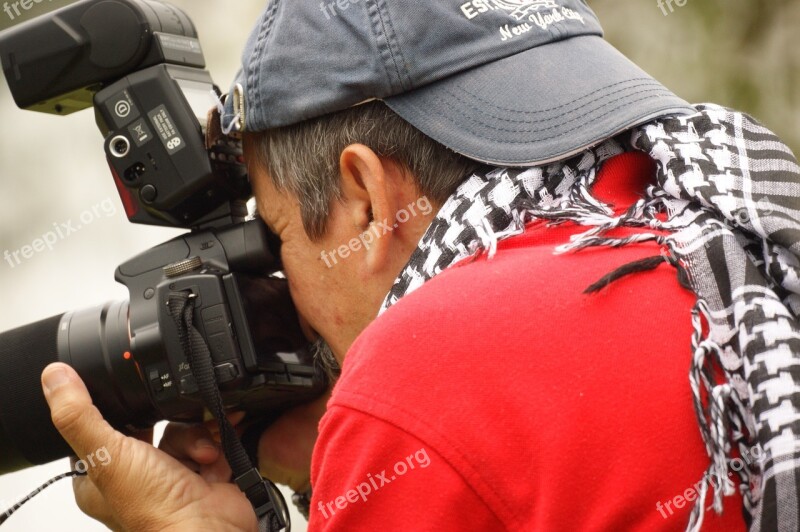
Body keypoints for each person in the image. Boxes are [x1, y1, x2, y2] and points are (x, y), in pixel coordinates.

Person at [39, 0, 800, 530]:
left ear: (367, 198)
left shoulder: (430, 370)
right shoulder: (734, 247)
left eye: (276, 234)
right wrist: (345, 469)